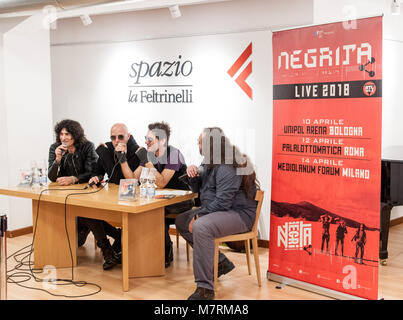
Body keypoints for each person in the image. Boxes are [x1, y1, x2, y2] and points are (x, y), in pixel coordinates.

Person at [175, 127, 259, 300]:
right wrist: (193, 177)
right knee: (182, 220)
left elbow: (223, 202)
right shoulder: (209, 161)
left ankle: (205, 289)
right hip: (222, 210)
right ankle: (220, 262)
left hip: (239, 214)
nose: (197, 145)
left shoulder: (227, 163)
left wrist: (200, 215)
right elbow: (203, 193)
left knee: (201, 226)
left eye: (200, 141)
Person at [120, 121, 192, 267]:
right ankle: (143, 251)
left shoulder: (174, 154)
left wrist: (147, 161)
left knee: (154, 211)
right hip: (161, 199)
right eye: (145, 138)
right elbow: (132, 178)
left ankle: (165, 251)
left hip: (182, 201)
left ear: (163, 140)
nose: (146, 142)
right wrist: (122, 159)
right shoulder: (150, 155)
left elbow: (162, 182)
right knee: (144, 211)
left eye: (150, 139)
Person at [78, 123, 141, 270]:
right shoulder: (107, 148)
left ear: (128, 136)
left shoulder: (137, 151)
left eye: (121, 137)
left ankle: (114, 245)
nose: (117, 141)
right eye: (113, 137)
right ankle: (108, 249)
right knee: (86, 212)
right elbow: (98, 170)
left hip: (131, 197)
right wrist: (95, 177)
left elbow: (125, 180)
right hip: (111, 195)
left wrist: (117, 155)